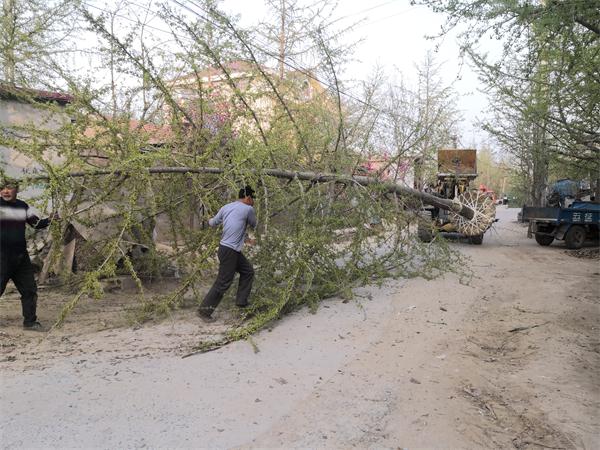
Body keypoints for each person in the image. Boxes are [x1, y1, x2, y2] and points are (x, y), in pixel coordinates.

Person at [0, 177, 54, 330]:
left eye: (9, 187)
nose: (5, 191)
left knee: (29, 289)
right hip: (2, 257)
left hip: (20, 257)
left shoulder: (23, 206)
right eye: (2, 188)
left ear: (17, 189)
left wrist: (50, 219)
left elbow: (36, 224)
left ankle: (30, 322)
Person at [198, 185, 257, 321]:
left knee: (248, 271)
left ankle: (242, 303)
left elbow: (213, 223)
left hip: (226, 249)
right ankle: (204, 311)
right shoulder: (248, 209)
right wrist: (250, 236)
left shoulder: (226, 207)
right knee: (224, 282)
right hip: (230, 251)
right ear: (248, 198)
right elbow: (254, 224)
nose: (253, 201)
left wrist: (205, 219)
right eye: (253, 199)